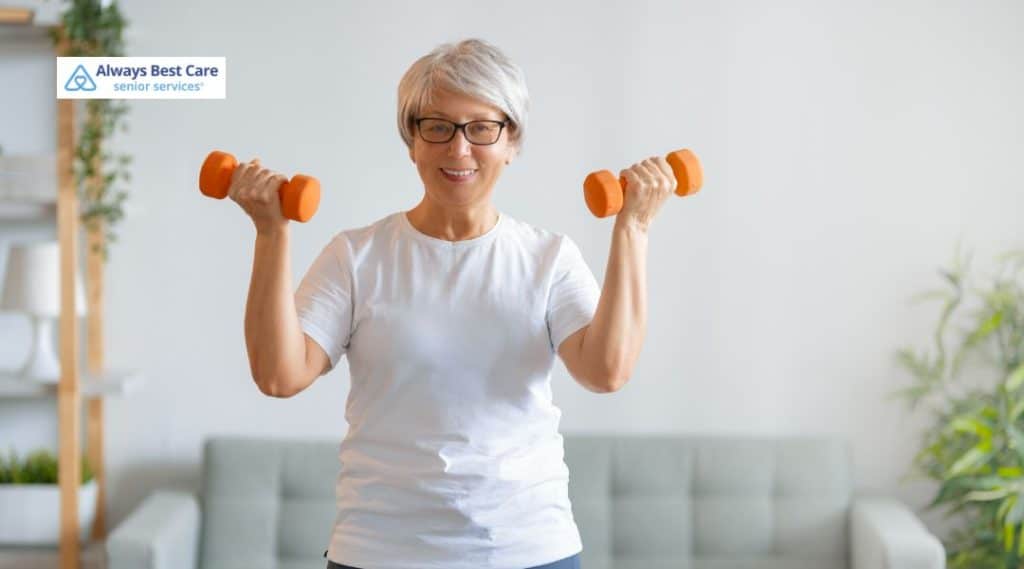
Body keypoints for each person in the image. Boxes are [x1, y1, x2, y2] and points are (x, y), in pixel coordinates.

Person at [230, 38, 677, 569]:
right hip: (380, 552)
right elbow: (280, 375)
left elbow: (606, 371)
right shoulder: (357, 255)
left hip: (528, 549)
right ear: (411, 141)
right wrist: (269, 233)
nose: (458, 149)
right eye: (437, 126)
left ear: (512, 141)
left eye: (482, 128)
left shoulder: (548, 258)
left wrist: (635, 226)